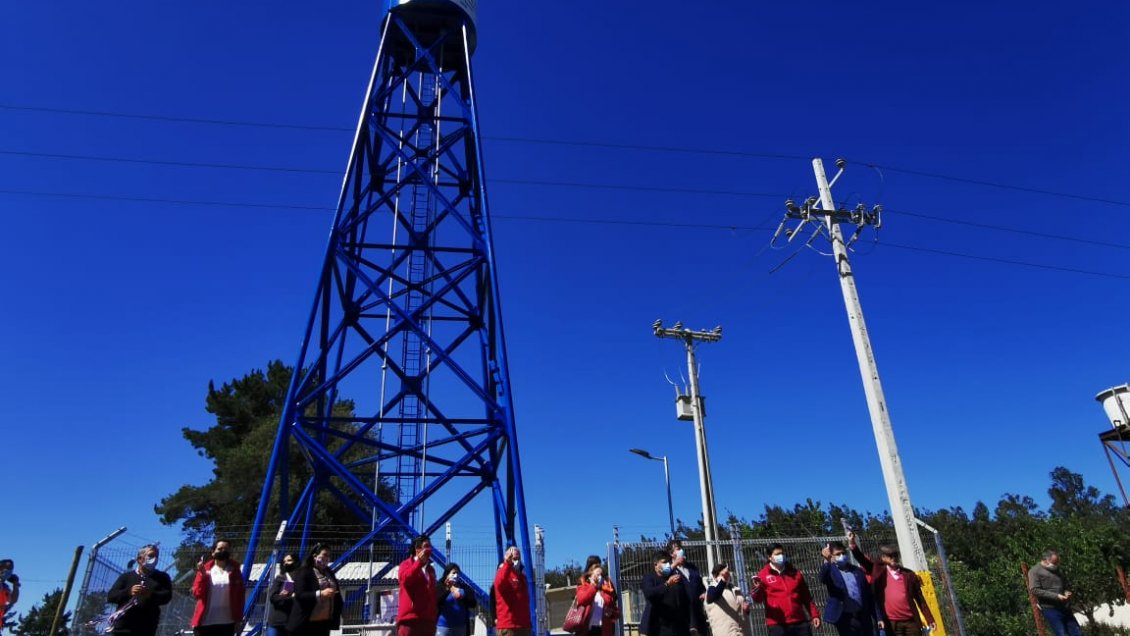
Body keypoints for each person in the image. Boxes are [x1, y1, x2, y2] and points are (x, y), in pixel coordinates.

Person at [857, 545, 934, 636]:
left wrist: (930, 619)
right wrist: (853, 545)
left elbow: (920, 599)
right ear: (883, 558)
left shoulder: (909, 575)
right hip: (892, 623)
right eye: (890, 556)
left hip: (911, 622)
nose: (893, 558)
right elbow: (863, 560)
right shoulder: (879, 572)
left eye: (895, 555)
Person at [750, 544, 820, 636]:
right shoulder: (763, 575)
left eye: (782, 553)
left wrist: (814, 615)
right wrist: (756, 588)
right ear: (770, 557)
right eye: (777, 554)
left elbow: (806, 596)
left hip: (799, 622)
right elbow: (757, 599)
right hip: (777, 625)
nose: (781, 556)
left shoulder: (795, 573)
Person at [106, 545, 174, 636]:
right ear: (140, 559)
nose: (155, 559)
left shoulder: (162, 577)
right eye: (151, 555)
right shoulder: (126, 577)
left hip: (146, 628)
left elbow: (166, 597)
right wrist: (128, 592)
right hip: (122, 627)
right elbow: (111, 596)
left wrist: (150, 594)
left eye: (156, 556)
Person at [818, 541, 878, 636]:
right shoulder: (831, 570)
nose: (842, 556)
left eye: (843, 553)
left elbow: (868, 595)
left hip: (862, 616)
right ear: (832, 555)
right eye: (838, 554)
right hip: (845, 617)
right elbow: (822, 578)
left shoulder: (857, 571)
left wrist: (878, 617)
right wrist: (827, 561)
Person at [191, 539, 246, 636]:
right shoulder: (205, 570)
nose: (223, 551)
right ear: (213, 552)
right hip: (204, 622)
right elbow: (197, 593)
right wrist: (203, 576)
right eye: (220, 549)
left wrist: (238, 619)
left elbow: (240, 597)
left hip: (227, 623)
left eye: (226, 549)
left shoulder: (235, 571)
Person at [287, 544, 343, 636]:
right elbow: (300, 595)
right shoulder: (304, 572)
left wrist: (340, 608)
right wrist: (320, 594)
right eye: (324, 555)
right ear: (315, 556)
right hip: (306, 623)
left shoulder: (329, 573)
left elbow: (337, 593)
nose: (327, 558)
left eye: (329, 556)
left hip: (324, 623)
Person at [1028, 549, 1082, 636]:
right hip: (1050, 609)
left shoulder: (1057, 570)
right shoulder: (1034, 571)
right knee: (1062, 634)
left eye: (1057, 562)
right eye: (1054, 562)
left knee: (1077, 633)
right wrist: (1056, 596)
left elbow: (1064, 585)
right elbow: (1034, 590)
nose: (1056, 565)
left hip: (1064, 607)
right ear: (1045, 560)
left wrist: (1066, 592)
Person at [640, 552, 690, 636]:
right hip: (656, 627)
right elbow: (649, 593)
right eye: (664, 562)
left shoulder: (675, 577)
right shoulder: (649, 577)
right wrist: (667, 584)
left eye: (669, 562)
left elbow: (685, 599)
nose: (667, 564)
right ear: (655, 564)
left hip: (676, 627)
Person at [397, 536, 438, 636]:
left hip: (428, 622)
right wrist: (418, 562)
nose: (429, 549)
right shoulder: (406, 564)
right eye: (426, 546)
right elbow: (406, 580)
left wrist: (433, 616)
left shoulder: (431, 570)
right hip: (410, 621)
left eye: (430, 546)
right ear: (417, 549)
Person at [667, 540, 710, 636]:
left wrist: (704, 592)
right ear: (671, 554)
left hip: (697, 612)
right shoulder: (670, 571)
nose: (681, 551)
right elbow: (663, 579)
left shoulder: (692, 568)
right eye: (678, 549)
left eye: (681, 548)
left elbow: (700, 584)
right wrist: (675, 564)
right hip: (682, 616)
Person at [492, 546, 531, 636]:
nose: (516, 561)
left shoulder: (522, 577)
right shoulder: (503, 572)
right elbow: (499, 584)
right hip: (509, 627)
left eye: (518, 558)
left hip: (524, 626)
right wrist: (507, 564)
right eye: (514, 558)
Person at [574, 561, 620, 636]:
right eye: (597, 574)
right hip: (587, 630)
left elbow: (616, 612)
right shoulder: (583, 587)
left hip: (603, 630)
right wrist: (593, 586)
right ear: (590, 574)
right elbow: (582, 600)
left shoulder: (607, 590)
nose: (599, 577)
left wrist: (612, 613)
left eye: (601, 575)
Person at [703, 563, 750, 636]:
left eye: (727, 574)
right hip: (726, 632)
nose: (727, 576)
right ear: (715, 577)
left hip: (743, 632)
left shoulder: (736, 589)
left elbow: (741, 610)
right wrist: (722, 581)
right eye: (723, 574)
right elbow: (712, 597)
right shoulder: (712, 589)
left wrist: (746, 609)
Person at [436, 562, 477, 636]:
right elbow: (436, 602)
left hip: (461, 627)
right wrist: (448, 589)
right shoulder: (439, 586)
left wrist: (462, 597)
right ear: (447, 574)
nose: (456, 575)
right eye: (453, 573)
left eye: (458, 573)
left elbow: (473, 603)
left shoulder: (464, 588)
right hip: (443, 627)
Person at [267, 553, 300, 636]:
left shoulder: (301, 579)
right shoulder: (280, 578)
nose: (286, 563)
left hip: (293, 622)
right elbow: (273, 597)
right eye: (284, 561)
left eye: (289, 560)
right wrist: (289, 598)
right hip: (277, 622)